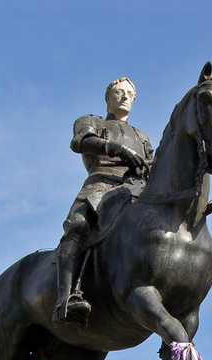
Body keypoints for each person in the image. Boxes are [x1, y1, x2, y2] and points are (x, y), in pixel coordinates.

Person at [54, 76, 153, 324]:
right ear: (108, 97)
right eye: (119, 92)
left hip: (136, 191)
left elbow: (153, 164)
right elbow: (80, 141)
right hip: (101, 186)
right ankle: (65, 299)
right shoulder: (90, 122)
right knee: (77, 227)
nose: (124, 97)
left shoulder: (142, 137)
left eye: (129, 94)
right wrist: (117, 149)